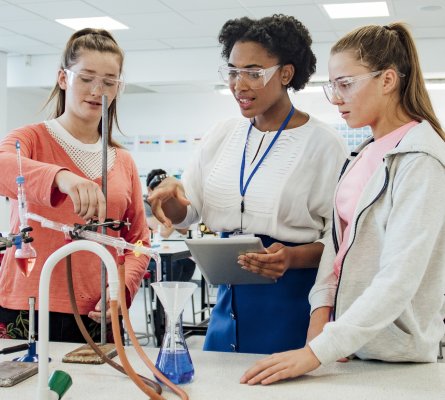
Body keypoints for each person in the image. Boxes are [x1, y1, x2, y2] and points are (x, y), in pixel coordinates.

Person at [241, 22, 445, 385]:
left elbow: (399, 278)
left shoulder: (421, 159)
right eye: (332, 85)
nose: (335, 98)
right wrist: (318, 334)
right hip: (348, 350)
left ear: (387, 80)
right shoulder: (363, 155)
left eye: (346, 84)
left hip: (396, 359)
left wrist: (319, 351)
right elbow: (336, 249)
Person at [148, 14, 348, 354]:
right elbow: (187, 213)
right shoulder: (223, 135)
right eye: (233, 71)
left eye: (254, 73)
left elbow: (339, 241)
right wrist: (168, 196)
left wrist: (291, 258)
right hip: (227, 301)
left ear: (286, 74)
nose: (239, 84)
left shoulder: (324, 143)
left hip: (290, 299)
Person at [0, 28, 149, 342]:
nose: (97, 90)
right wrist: (60, 177)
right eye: (86, 77)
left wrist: (123, 286)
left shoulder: (122, 161)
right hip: (27, 307)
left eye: (109, 81)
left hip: (97, 313)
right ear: (63, 78)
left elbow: (138, 242)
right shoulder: (28, 140)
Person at [144, 168, 195, 282]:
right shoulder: (146, 203)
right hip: (151, 253)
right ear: (149, 190)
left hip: (172, 250)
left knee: (189, 264)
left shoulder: (171, 199)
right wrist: (176, 216)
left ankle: (176, 298)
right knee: (174, 266)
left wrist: (176, 215)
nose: (162, 195)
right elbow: (164, 232)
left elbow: (184, 229)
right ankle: (164, 298)